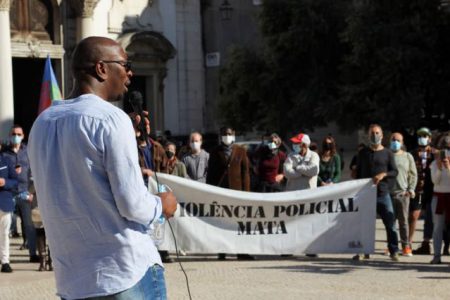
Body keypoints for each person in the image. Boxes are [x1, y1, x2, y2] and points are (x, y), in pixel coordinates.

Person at [28, 36, 177, 299]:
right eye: (125, 64)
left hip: (73, 279)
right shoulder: (110, 119)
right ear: (101, 68)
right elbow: (132, 204)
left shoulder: (41, 123)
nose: (130, 73)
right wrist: (162, 205)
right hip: (124, 272)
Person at [353, 124, 400, 261]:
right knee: (364, 225)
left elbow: (394, 171)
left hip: (383, 194)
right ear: (368, 136)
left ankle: (394, 251)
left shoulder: (388, 153)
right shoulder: (363, 153)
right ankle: (363, 251)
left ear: (382, 135)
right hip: (365, 195)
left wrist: (383, 175)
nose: (375, 135)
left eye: (377, 133)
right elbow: (358, 174)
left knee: (390, 224)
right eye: (372, 133)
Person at [206, 126, 253, 260]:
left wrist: (247, 193)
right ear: (220, 136)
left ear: (233, 135)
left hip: (237, 192)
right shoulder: (215, 152)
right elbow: (211, 174)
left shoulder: (241, 151)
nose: (227, 136)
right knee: (222, 222)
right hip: (221, 192)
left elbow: (245, 173)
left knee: (239, 223)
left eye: (229, 134)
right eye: (224, 134)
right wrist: (210, 191)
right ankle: (222, 251)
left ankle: (242, 251)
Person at [2, 125, 39, 263]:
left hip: (25, 192)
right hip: (8, 194)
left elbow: (34, 172)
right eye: (13, 134)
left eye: (18, 134)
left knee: (29, 224)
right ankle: (4, 258)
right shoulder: (4, 154)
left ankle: (33, 253)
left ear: (23, 136)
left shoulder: (28, 152)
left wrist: (32, 192)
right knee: (5, 226)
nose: (16, 136)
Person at [389, 132, 417, 257]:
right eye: (393, 139)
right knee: (390, 222)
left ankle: (406, 246)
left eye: (398, 140)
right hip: (388, 194)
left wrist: (411, 189)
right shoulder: (386, 154)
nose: (395, 142)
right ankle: (392, 246)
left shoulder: (407, 156)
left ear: (402, 142)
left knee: (403, 222)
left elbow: (413, 174)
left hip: (402, 193)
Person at [411, 127, 436, 255]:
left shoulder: (435, 154)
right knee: (414, 216)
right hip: (417, 189)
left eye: (425, 136)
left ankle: (428, 244)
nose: (423, 138)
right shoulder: (412, 154)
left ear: (430, 138)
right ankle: (408, 243)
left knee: (430, 217)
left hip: (432, 190)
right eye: (420, 135)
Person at [429, 135, 450, 264]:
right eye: (444, 148)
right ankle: (437, 255)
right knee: (437, 227)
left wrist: (448, 168)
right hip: (438, 197)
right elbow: (435, 181)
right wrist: (439, 168)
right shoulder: (434, 163)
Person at [0, 151, 18, 273]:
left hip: (4, 203)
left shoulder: (6, 161)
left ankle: (5, 261)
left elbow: (15, 181)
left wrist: (5, 182)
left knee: (4, 234)